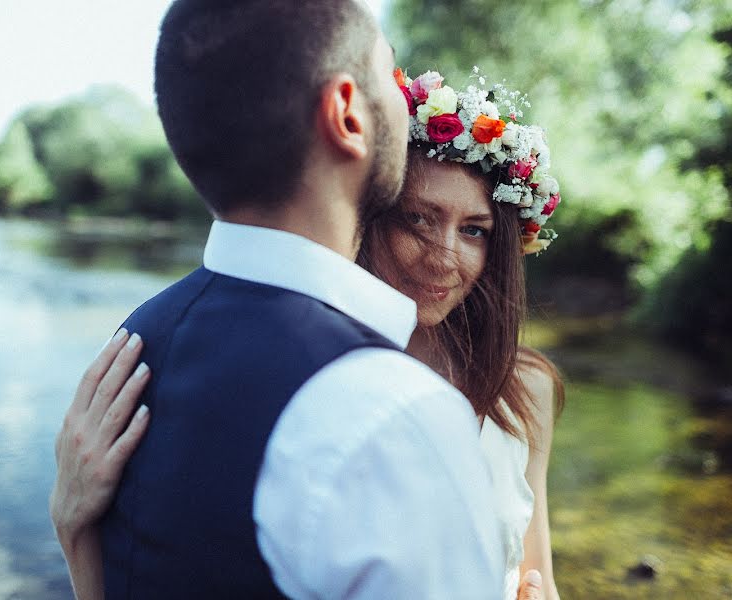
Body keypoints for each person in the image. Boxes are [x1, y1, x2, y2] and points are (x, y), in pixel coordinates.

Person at [51, 58, 566, 600]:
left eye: (475, 231)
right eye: (418, 218)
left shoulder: (523, 387)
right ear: (369, 219)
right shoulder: (306, 380)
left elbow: (541, 577)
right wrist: (74, 528)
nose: (445, 257)